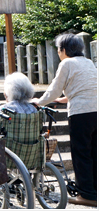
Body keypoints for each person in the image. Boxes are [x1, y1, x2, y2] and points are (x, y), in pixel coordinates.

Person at [31, 33, 97, 207]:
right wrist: (65, 99)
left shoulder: (66, 63)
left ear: (64, 49)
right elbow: (86, 86)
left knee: (81, 153)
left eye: (59, 49)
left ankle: (87, 195)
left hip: (81, 113)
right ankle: (95, 190)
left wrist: (38, 102)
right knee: (93, 152)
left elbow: (54, 89)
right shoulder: (88, 62)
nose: (59, 52)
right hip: (96, 110)